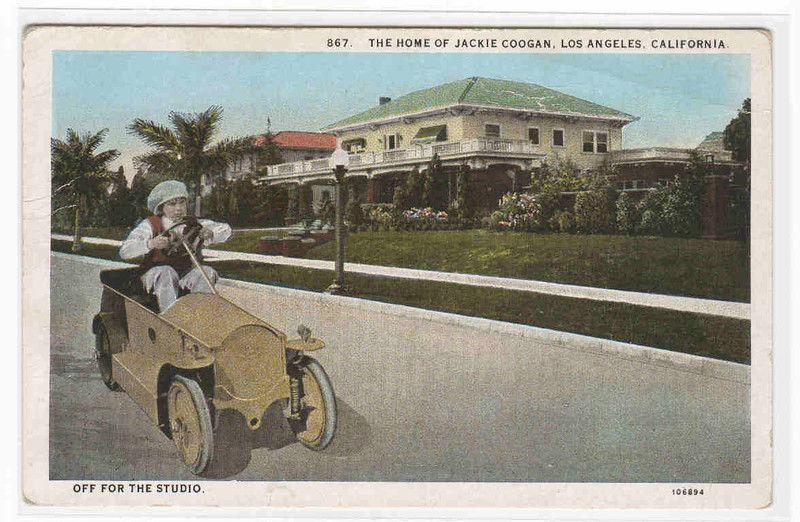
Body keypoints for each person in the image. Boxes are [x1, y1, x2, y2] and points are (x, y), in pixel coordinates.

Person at [119, 180, 232, 312]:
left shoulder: (193, 223)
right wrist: (151, 243)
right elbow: (124, 251)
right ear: (161, 207)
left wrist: (210, 232)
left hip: (184, 275)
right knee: (166, 272)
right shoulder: (150, 225)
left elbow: (226, 229)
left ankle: (202, 314)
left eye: (182, 202)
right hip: (154, 276)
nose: (178, 208)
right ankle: (171, 318)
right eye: (172, 204)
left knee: (207, 272)